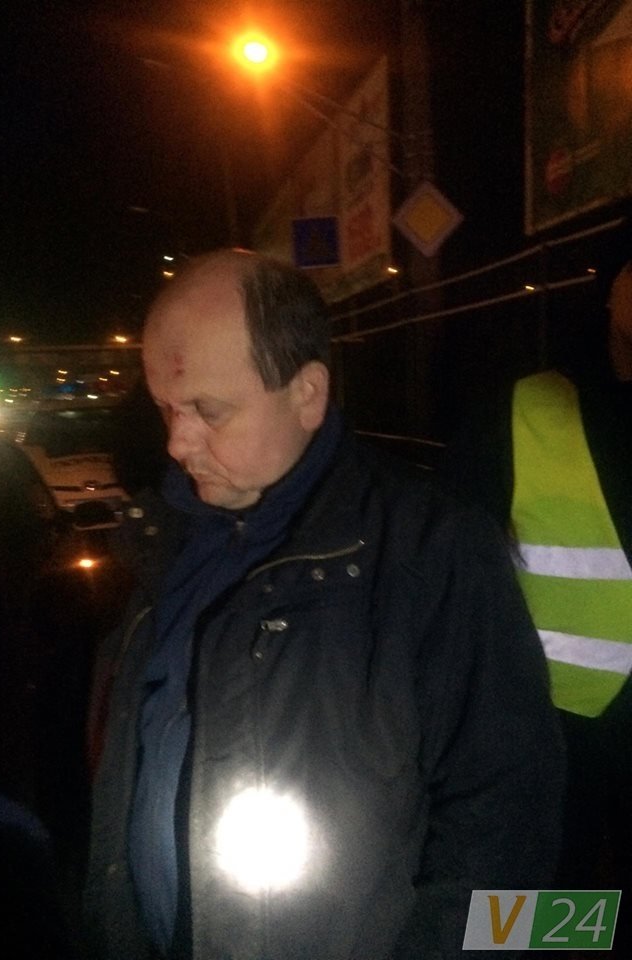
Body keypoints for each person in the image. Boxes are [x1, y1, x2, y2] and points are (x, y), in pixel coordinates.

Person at [84, 249, 564, 960]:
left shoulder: (431, 548)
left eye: (209, 411)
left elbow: (504, 818)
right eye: (167, 409)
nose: (178, 442)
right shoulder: (165, 540)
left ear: (307, 393)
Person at [442, 222, 632, 957]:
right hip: (549, 741)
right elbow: (453, 580)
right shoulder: (522, 410)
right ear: (610, 288)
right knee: (524, 920)